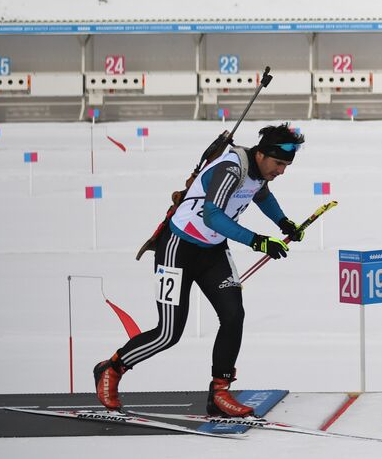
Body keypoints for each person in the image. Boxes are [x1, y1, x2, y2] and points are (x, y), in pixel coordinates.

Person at [93, 123, 308, 417]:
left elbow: (261, 195)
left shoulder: (258, 173)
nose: (282, 170)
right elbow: (212, 216)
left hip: (213, 252)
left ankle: (219, 392)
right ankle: (112, 368)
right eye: (279, 163)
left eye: (287, 165)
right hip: (177, 249)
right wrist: (257, 241)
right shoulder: (232, 169)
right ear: (261, 154)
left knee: (233, 316)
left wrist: (283, 223)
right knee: (168, 333)